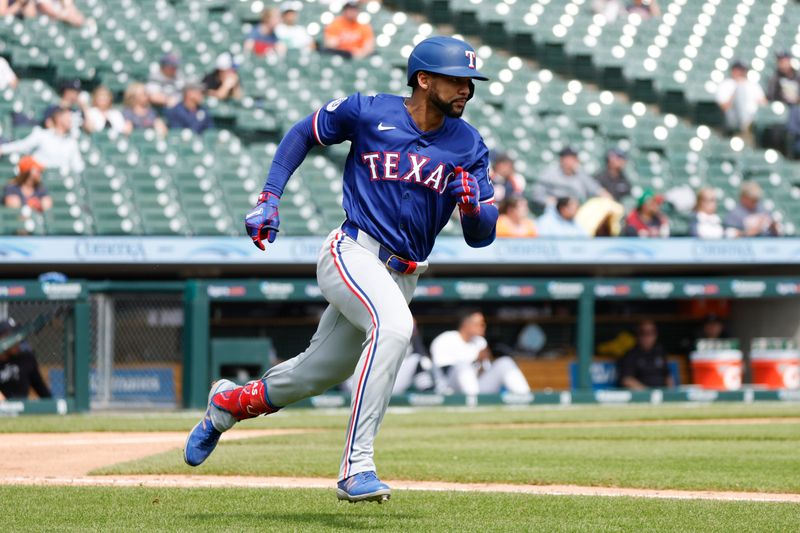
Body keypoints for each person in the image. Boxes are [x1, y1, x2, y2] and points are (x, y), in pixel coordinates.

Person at [183, 36, 498, 503]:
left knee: (315, 373)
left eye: (470, 83)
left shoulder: (469, 144)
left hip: (404, 273)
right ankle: (358, 466)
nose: (465, 91)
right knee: (394, 328)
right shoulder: (368, 110)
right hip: (353, 251)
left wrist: (474, 212)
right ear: (424, 79)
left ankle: (227, 405)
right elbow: (303, 133)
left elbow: (481, 235)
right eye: (456, 80)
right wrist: (270, 196)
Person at [430, 310, 531, 398]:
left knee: (505, 362)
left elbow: (483, 372)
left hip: (476, 390)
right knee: (463, 366)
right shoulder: (446, 339)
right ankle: (474, 405)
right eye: (480, 324)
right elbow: (444, 371)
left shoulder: (480, 342)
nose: (483, 327)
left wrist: (482, 363)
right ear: (466, 324)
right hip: (449, 390)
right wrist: (475, 359)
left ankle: (526, 399)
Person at [0, 108, 84, 174]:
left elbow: (78, 166)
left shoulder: (72, 142)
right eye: (67, 116)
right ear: (58, 118)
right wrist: (3, 149)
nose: (70, 119)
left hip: (60, 181)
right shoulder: (42, 134)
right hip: (39, 178)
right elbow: (23, 145)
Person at [531, 147, 608, 207]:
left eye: (574, 158)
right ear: (561, 159)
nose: (571, 161)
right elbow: (537, 194)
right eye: (568, 158)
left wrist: (608, 199)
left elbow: (596, 189)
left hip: (577, 210)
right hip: (556, 211)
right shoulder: (550, 174)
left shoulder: (581, 174)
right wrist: (550, 201)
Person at [0, 318, 52, 401]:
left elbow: (42, 390)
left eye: (16, 334)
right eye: (11, 335)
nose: (17, 340)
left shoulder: (26, 359)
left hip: (21, 409)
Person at [618, 320, 674, 390]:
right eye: (643, 333)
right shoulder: (631, 355)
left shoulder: (660, 352)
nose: (647, 337)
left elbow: (668, 376)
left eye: (651, 332)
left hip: (661, 394)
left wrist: (670, 393)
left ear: (656, 335)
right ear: (637, 335)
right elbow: (627, 380)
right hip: (642, 396)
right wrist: (648, 393)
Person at [716, 61, 767, 136]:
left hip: (753, 119)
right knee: (740, 90)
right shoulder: (726, 84)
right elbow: (724, 107)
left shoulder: (753, 85)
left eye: (742, 70)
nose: (740, 72)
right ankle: (744, 126)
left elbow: (764, 103)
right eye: (737, 70)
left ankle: (748, 127)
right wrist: (737, 89)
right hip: (733, 118)